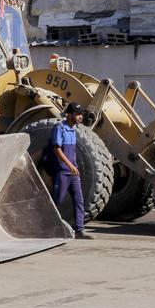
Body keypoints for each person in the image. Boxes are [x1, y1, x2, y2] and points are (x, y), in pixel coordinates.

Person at [49, 103, 93, 240]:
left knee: (79, 200)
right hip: (63, 171)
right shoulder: (60, 128)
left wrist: (74, 167)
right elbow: (57, 149)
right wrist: (69, 165)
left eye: (81, 114)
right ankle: (48, 229)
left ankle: (79, 230)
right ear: (69, 114)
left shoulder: (73, 129)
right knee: (58, 200)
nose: (80, 117)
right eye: (78, 114)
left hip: (73, 172)